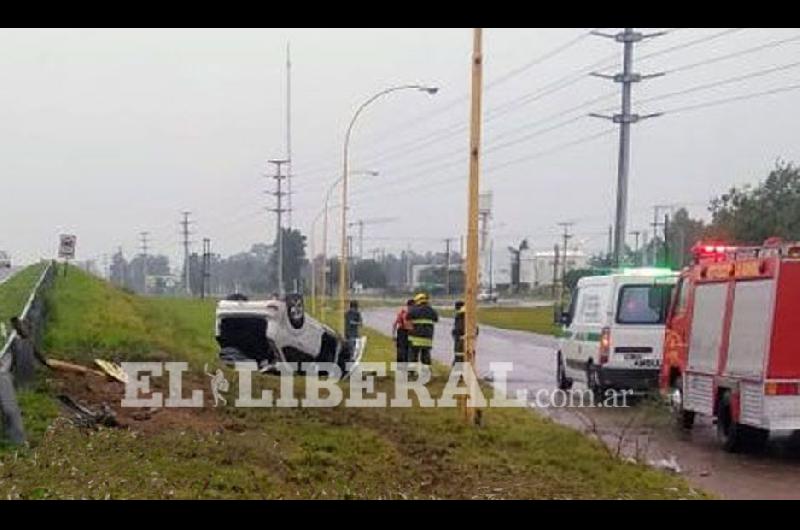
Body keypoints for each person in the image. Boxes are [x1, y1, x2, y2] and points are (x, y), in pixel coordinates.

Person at [407, 292, 438, 366]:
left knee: (413, 356)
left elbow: (407, 317)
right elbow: (436, 319)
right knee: (425, 355)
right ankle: (426, 372)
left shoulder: (414, 310)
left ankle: (412, 373)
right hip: (427, 339)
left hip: (415, 338)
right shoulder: (432, 311)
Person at [451, 301, 478, 365]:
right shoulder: (468, 316)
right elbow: (476, 329)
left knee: (459, 361)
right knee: (465, 361)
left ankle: (458, 374)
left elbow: (459, 329)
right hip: (467, 344)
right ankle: (465, 374)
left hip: (461, 344)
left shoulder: (461, 316)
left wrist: (454, 333)